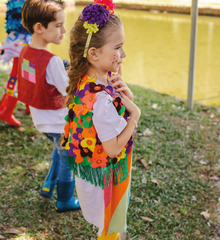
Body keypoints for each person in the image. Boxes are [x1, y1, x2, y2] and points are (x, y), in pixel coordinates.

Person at [61, 0, 141, 239]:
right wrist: (134, 117)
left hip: (97, 177)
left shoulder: (88, 80)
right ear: (93, 53)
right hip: (107, 179)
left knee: (108, 227)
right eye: (118, 47)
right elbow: (114, 148)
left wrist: (125, 96)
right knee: (110, 230)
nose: (123, 54)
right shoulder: (102, 101)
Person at [17, 0, 80, 212]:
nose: (64, 30)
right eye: (58, 25)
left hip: (40, 119)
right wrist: (74, 73)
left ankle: (47, 186)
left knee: (58, 148)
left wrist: (60, 68)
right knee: (67, 159)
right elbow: (68, 91)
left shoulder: (25, 52)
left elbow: (38, 78)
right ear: (39, 27)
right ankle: (65, 200)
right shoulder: (51, 61)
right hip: (57, 121)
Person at [0, 0, 32, 127]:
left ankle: (28, 105)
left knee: (28, 73)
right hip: (22, 41)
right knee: (19, 74)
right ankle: (7, 110)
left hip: (22, 38)